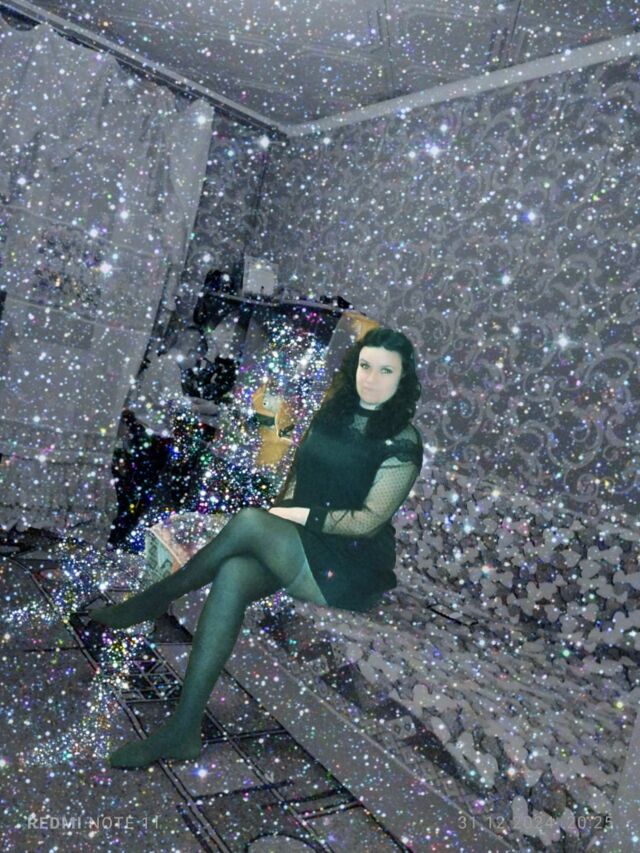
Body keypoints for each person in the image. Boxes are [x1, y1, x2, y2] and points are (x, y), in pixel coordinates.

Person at [90, 327, 423, 768]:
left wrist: (290, 517)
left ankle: (158, 597)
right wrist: (284, 514)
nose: (371, 378)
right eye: (366, 365)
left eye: (386, 371)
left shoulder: (403, 440)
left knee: (249, 521)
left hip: (351, 566)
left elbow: (367, 521)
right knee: (232, 573)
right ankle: (183, 729)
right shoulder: (333, 415)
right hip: (305, 546)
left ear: (403, 379)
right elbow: (299, 481)